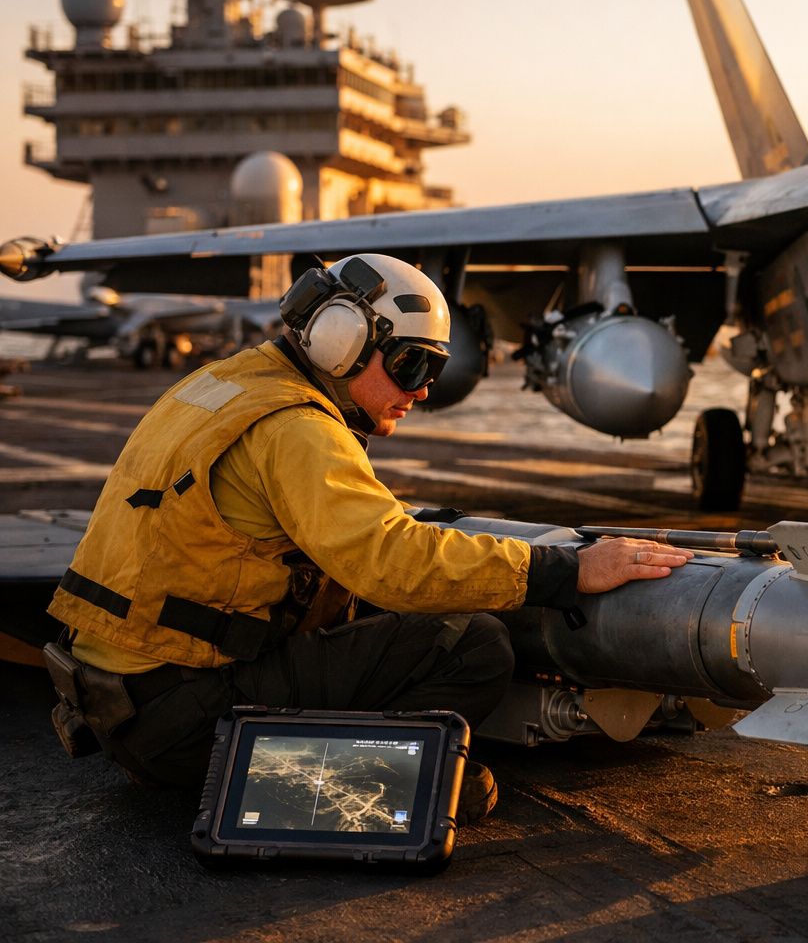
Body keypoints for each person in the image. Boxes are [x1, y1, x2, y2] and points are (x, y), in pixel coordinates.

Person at [45, 253, 692, 812]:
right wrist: (566, 570)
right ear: (340, 343)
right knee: (474, 644)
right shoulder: (298, 428)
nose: (423, 390)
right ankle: (364, 778)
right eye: (411, 365)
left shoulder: (224, 383)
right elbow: (393, 563)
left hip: (112, 703)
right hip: (184, 718)